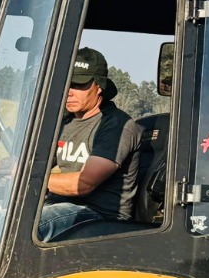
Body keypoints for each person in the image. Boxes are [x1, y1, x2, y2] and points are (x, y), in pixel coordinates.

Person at [37, 47, 142, 241]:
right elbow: (37, 162)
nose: (69, 92)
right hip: (60, 206)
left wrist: (28, 179)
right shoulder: (66, 122)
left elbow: (84, 184)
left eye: (78, 85)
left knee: (24, 227)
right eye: (67, 84)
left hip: (98, 216)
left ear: (99, 86)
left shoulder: (117, 126)